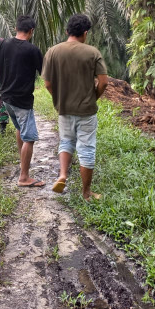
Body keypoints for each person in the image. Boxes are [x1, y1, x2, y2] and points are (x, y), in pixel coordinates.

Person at [42, 14, 108, 200]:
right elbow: (103, 83)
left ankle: (63, 175)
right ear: (85, 33)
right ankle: (86, 193)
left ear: (67, 31)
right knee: (86, 148)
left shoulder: (52, 52)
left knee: (66, 142)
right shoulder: (92, 52)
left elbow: (47, 83)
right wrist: (93, 97)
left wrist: (59, 98)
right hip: (86, 111)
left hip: (64, 109)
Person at [0, 15, 45, 188]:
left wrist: (5, 81)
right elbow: (44, 74)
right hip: (22, 100)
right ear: (31, 31)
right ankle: (24, 177)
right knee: (29, 137)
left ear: (16, 28)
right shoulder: (32, 50)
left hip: (6, 98)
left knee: (19, 129)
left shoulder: (4, 44)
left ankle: (23, 165)